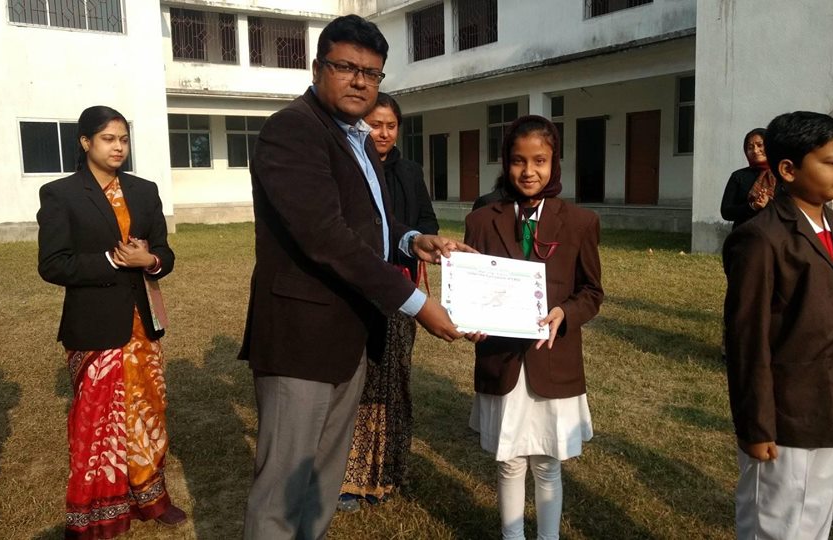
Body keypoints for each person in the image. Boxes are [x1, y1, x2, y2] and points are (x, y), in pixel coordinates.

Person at [239, 15, 473, 539]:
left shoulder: (359, 138)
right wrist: (417, 303)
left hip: (349, 335)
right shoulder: (293, 130)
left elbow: (368, 222)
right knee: (283, 489)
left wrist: (412, 240)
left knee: (322, 480)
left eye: (372, 73)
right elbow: (325, 236)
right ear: (317, 67)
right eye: (346, 67)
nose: (360, 81)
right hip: (302, 339)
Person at [37, 105, 184, 539]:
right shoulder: (61, 193)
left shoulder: (143, 190)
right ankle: (95, 513)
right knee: (96, 423)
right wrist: (113, 261)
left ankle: (152, 498)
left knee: (148, 414)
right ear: (86, 142)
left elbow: (165, 252)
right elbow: (53, 264)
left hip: (142, 328)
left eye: (123, 139)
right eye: (108, 139)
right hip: (95, 325)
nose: (118, 147)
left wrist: (150, 260)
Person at [723, 111, 833, 540]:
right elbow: (747, 340)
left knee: (816, 515)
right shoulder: (762, 238)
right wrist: (756, 424)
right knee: (776, 520)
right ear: (788, 169)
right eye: (831, 162)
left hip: (831, 404)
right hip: (785, 414)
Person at [463, 116, 603, 540]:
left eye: (539, 161)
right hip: (502, 359)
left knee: (546, 462)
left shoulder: (579, 222)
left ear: (554, 162)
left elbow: (591, 292)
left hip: (553, 360)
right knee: (508, 461)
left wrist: (565, 314)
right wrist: (470, 321)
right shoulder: (482, 220)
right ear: (505, 162)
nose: (528, 171)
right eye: (518, 161)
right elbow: (471, 287)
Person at [338, 92, 439, 511]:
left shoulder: (410, 172)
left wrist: (414, 241)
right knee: (356, 381)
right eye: (374, 124)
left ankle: (388, 472)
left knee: (394, 379)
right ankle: (348, 477)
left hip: (401, 291)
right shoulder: (348, 165)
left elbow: (427, 221)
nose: (382, 133)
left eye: (390, 126)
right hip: (356, 289)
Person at [720, 128, 778, 229]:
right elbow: (726, 212)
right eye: (750, 147)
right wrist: (752, 206)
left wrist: (768, 203)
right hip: (744, 234)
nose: (755, 151)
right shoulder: (738, 176)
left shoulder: (782, 175)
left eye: (760, 145)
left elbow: (792, 208)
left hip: (776, 234)